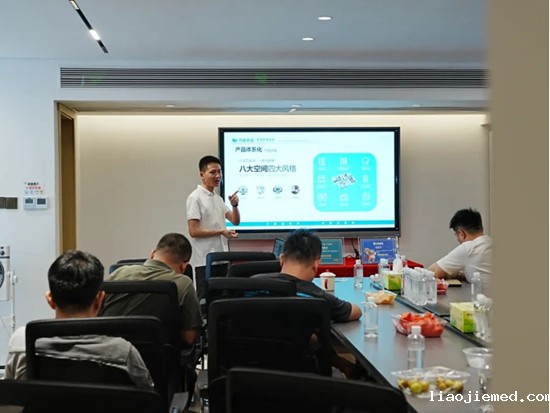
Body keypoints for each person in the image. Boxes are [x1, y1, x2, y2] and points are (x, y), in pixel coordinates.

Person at [4, 250, 153, 387]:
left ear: (50, 299)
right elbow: (150, 400)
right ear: (99, 300)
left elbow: (10, 398)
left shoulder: (21, 343)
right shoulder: (123, 353)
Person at [101, 233, 202, 347]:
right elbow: (190, 337)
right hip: (156, 356)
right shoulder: (183, 283)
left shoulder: (119, 272)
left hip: (109, 352)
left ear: (153, 253)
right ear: (184, 266)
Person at [253, 229, 361, 322]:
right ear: (316, 264)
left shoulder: (252, 284)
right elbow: (356, 311)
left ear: (281, 259)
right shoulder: (318, 297)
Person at [186, 155, 241, 300]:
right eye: (213, 172)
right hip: (205, 261)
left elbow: (235, 221)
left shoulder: (218, 198)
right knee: (206, 302)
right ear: (202, 174)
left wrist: (235, 205)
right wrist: (221, 231)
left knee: (223, 301)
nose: (218, 176)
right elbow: (194, 231)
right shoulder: (195, 198)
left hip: (222, 258)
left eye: (219, 171)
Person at [428, 208, 492, 282]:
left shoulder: (468, 248)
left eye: (456, 235)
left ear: (461, 234)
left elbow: (431, 272)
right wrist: (459, 274)